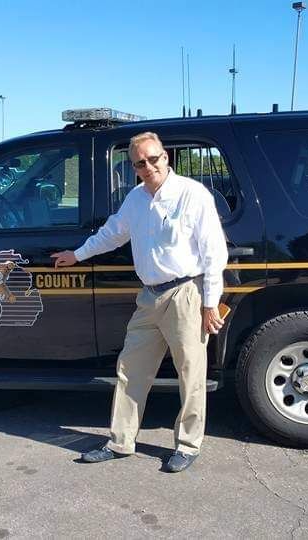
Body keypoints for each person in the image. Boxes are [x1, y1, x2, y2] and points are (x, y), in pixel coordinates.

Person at [52, 131, 228, 473]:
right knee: (130, 369)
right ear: (133, 167)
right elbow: (113, 233)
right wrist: (77, 254)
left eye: (153, 158)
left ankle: (188, 446)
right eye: (140, 163)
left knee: (191, 374)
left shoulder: (192, 194)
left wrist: (210, 303)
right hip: (149, 297)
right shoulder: (135, 198)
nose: (148, 167)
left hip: (186, 294)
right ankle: (120, 442)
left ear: (165, 156)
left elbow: (214, 254)